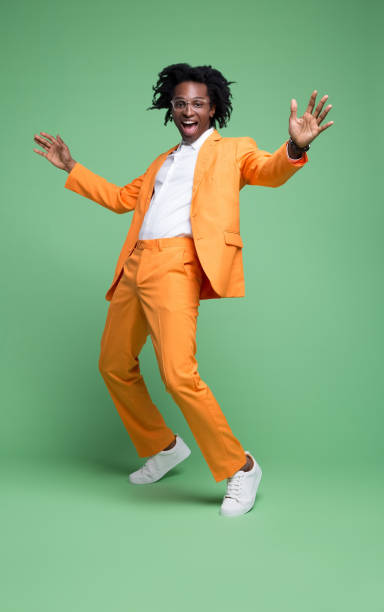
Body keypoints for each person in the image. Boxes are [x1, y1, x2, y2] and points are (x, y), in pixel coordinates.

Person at [33, 63, 333, 517]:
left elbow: (268, 170)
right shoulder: (163, 161)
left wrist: (294, 146)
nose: (188, 110)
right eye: (179, 103)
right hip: (135, 264)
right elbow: (120, 200)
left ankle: (242, 466)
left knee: (178, 375)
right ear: (170, 108)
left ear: (213, 107)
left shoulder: (234, 150)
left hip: (178, 265)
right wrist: (71, 166)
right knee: (113, 364)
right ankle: (164, 445)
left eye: (197, 103)